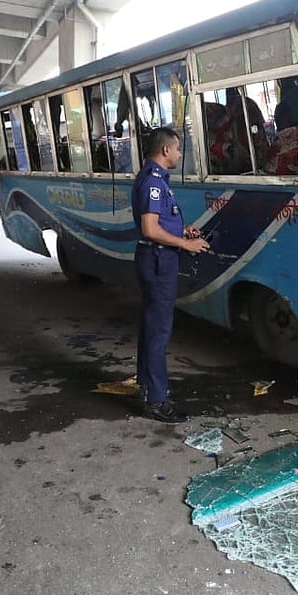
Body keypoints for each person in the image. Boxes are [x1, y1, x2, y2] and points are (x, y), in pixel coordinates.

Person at [131, 128, 210, 423]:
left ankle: (147, 386)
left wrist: (182, 229)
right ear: (165, 151)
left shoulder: (157, 180)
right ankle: (157, 400)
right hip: (157, 259)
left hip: (158, 256)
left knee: (152, 326)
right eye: (177, 149)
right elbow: (150, 229)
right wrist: (185, 243)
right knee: (158, 331)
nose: (179, 154)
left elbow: (160, 222)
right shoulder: (153, 182)